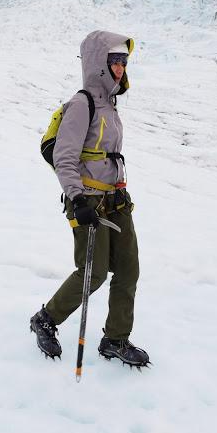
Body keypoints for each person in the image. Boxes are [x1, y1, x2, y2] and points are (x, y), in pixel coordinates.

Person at [30, 30, 149, 367]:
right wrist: (78, 199)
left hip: (117, 199)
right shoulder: (81, 104)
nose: (121, 68)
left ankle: (115, 339)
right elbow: (64, 158)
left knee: (128, 270)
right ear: (100, 63)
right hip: (88, 201)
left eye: (124, 62)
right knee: (93, 273)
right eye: (115, 61)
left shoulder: (109, 105)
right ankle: (45, 319)